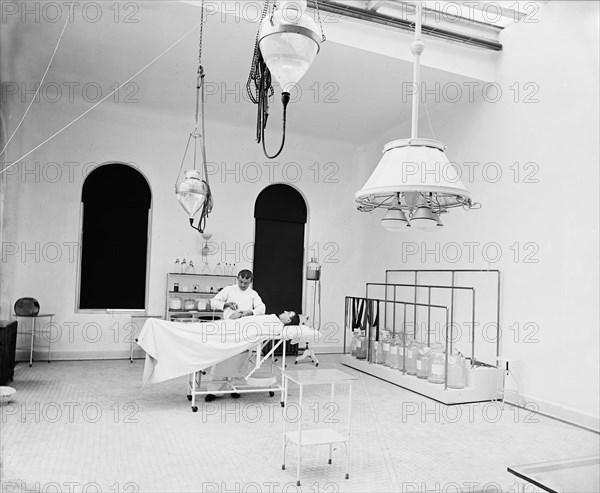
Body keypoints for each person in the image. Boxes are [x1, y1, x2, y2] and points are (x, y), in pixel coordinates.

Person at [203, 310, 299, 402]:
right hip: (234, 330)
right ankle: (214, 391)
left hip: (242, 339)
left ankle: (235, 389)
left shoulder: (276, 324)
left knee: (239, 367)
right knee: (222, 365)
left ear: (288, 320)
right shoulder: (273, 318)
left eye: (289, 313)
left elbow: (257, 324)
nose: (286, 311)